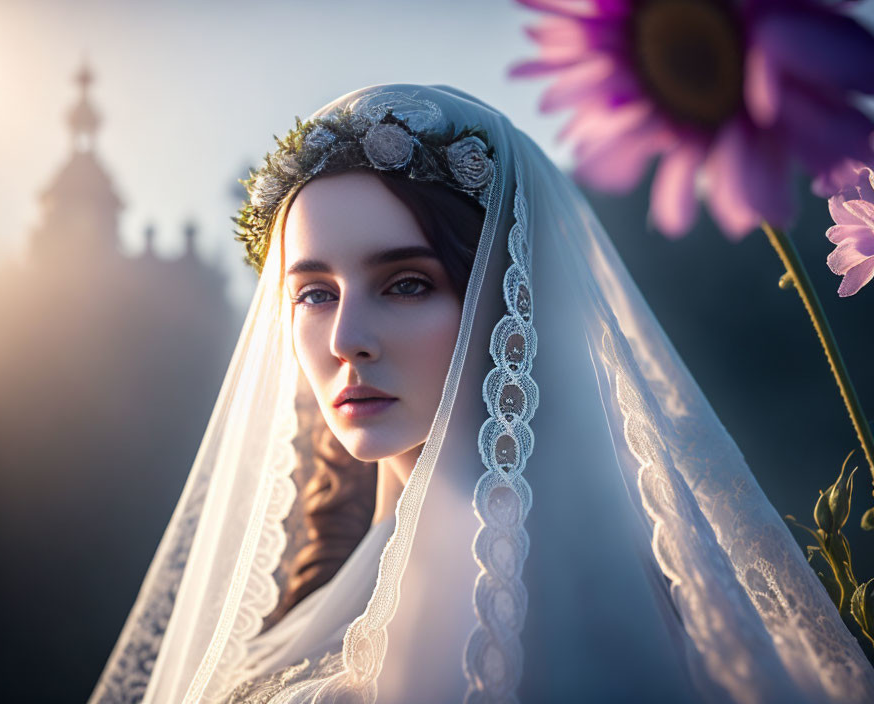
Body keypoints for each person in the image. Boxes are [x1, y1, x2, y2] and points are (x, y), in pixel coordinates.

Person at [89, 84, 874, 704]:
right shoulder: (336, 582)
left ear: (508, 304)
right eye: (314, 293)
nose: (344, 339)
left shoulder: (525, 599)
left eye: (405, 283)